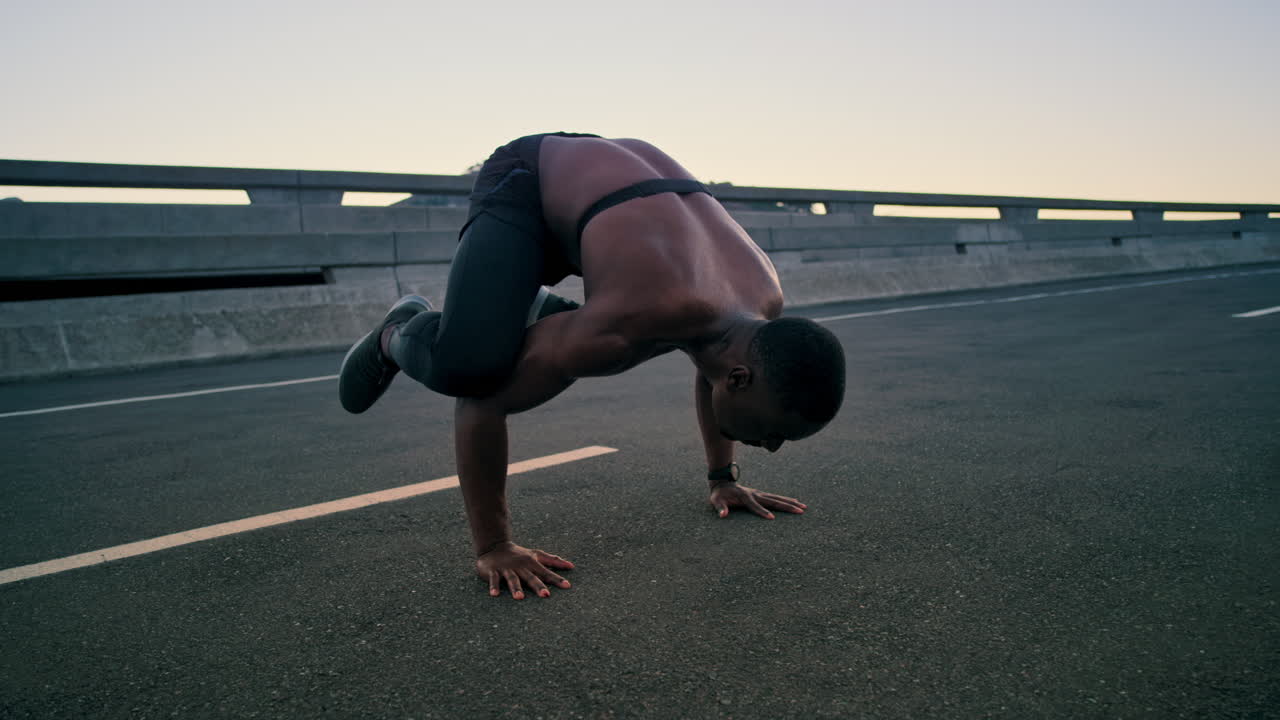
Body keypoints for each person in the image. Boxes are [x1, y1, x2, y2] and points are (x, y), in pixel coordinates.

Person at [339, 133, 846, 600]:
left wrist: (722, 477)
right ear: (740, 379)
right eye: (778, 433)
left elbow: (711, 368)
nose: (775, 446)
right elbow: (482, 404)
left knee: (608, 332)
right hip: (529, 178)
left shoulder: (758, 310)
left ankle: (530, 309)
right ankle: (398, 331)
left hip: (618, 190)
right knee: (472, 367)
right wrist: (493, 545)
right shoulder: (630, 324)